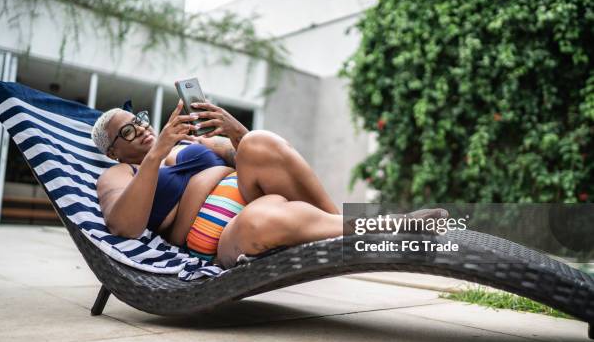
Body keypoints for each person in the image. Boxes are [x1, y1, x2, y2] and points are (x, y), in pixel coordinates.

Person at [91, 99, 447, 268]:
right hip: (224, 238)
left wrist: (234, 131)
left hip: (259, 196)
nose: (140, 128)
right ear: (114, 152)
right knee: (257, 221)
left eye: (137, 120)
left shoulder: (191, 145)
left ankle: (337, 226)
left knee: (257, 141)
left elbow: (256, 160)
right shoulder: (121, 175)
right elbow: (124, 224)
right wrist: (156, 155)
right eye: (126, 131)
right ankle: (386, 225)